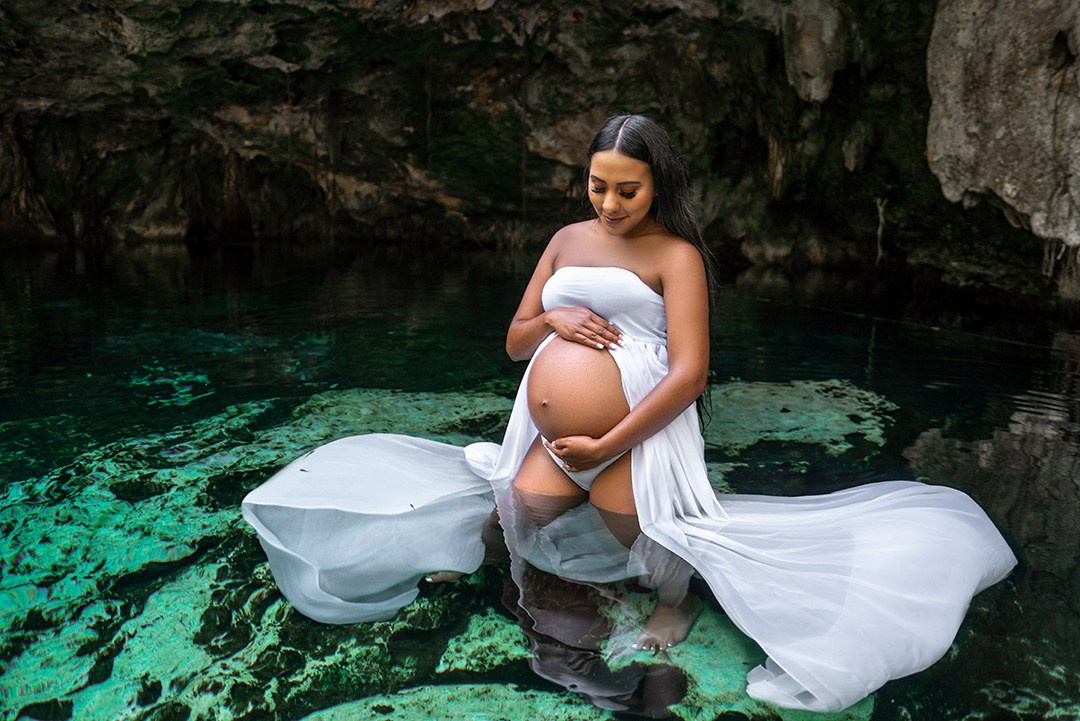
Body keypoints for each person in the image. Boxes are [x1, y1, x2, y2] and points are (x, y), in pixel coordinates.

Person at [242, 113, 1018, 713]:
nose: (608, 204)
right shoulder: (565, 237)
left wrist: (607, 440)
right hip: (552, 433)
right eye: (596, 185)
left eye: (627, 189)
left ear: (659, 186)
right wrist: (555, 323)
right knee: (520, 510)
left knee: (650, 545)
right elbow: (513, 343)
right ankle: (512, 576)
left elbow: (689, 374)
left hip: (638, 431)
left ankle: (678, 607)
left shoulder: (674, 255)